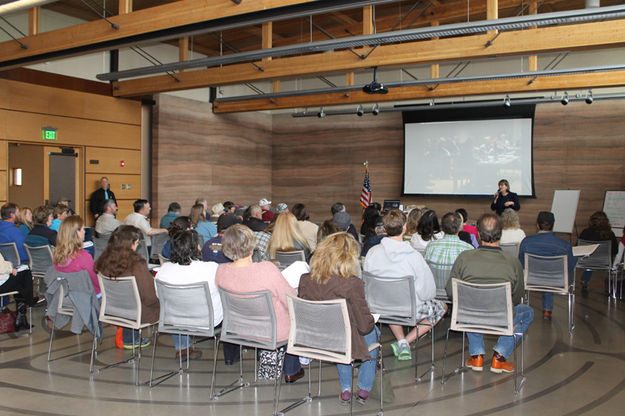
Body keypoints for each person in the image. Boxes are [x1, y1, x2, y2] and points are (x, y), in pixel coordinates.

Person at [215, 224, 304, 383]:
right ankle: (291, 369)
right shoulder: (266, 269)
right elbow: (290, 299)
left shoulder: (221, 271)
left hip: (237, 329)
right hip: (271, 332)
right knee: (294, 315)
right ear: (251, 245)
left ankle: (272, 366)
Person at [447, 213, 534, 373]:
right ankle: (500, 356)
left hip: (469, 315)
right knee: (527, 312)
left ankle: (476, 356)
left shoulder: (464, 258)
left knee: (468, 304)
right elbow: (518, 295)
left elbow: (451, 291)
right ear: (500, 234)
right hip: (501, 315)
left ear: (478, 234)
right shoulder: (512, 262)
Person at [299, 232, 378, 405]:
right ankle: (364, 388)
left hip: (315, 339)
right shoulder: (352, 284)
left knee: (343, 331)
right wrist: (372, 319)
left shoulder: (305, 280)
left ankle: (346, 389)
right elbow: (364, 327)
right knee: (371, 332)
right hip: (342, 340)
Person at [364, 209, 446, 361]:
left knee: (390, 297)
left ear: (385, 228)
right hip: (407, 309)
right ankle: (405, 341)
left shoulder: (372, 253)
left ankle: (402, 341)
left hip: (379, 307)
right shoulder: (414, 257)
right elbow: (428, 292)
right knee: (441, 307)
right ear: (405, 227)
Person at [155, 230, 221, 360]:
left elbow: (160, 297)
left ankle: (182, 348)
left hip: (174, 320)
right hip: (207, 321)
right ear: (196, 247)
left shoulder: (163, 270)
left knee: (177, 304)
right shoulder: (211, 268)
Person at [94, 225, 156, 349]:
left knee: (131, 297)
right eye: (137, 243)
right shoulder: (137, 264)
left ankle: (129, 338)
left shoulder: (103, 261)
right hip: (137, 313)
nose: (137, 247)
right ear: (131, 243)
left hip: (112, 310)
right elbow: (149, 297)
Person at [518, 211, 576, 320]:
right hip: (558, 281)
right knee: (550, 273)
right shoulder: (565, 245)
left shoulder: (526, 242)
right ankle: (547, 310)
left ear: (537, 225)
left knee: (544, 273)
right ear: (553, 225)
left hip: (531, 281)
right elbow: (570, 266)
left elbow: (521, 264)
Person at [53, 215, 100, 297]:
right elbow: (96, 282)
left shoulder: (57, 256)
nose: (84, 231)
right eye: (82, 229)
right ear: (76, 233)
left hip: (64, 299)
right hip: (86, 299)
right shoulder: (83, 257)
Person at [578, 211, 618, 293]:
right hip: (605, 262)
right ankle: (609, 286)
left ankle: (585, 280)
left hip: (587, 261)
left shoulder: (586, 232)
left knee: (590, 262)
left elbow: (578, 248)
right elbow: (615, 250)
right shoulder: (610, 234)